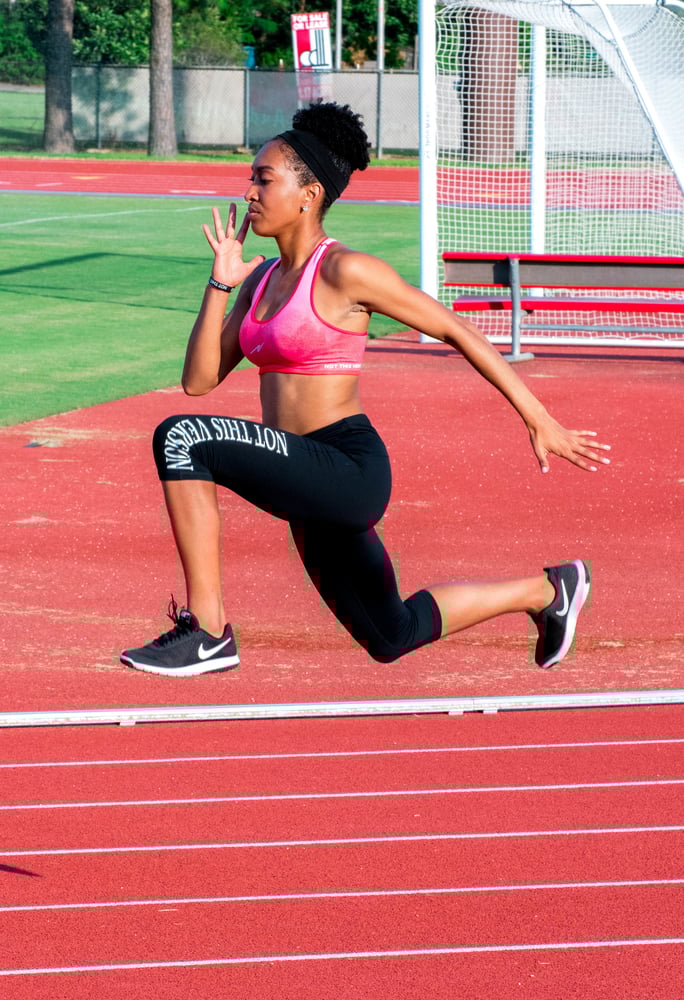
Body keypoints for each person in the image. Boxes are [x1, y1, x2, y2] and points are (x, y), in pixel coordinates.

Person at [120, 101, 610, 678]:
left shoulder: (345, 271)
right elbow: (199, 381)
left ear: (308, 195)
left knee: (182, 440)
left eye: (264, 179)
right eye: (251, 178)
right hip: (303, 479)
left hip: (345, 467)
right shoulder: (259, 279)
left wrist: (538, 418)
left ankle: (207, 632)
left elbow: (455, 328)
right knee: (389, 634)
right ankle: (548, 591)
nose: (249, 192)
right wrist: (219, 284)